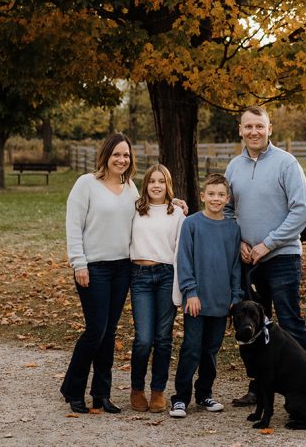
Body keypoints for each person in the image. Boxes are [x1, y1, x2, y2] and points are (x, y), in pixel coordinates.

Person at [224, 106, 306, 408]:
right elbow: (226, 210)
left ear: (269, 129)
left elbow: (302, 210)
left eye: (259, 126)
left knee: (289, 322)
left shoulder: (287, 163)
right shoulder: (233, 167)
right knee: (254, 325)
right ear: (240, 130)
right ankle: (260, 387)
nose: (254, 132)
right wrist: (239, 243)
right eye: (248, 127)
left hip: (282, 257)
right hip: (249, 261)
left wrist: (268, 244)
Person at [60, 132, 138, 415]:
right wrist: (78, 263)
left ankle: (101, 394)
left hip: (122, 268)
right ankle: (74, 389)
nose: (121, 159)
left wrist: (173, 204)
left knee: (109, 332)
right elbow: (73, 225)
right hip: (93, 267)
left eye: (126, 155)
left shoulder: (130, 187)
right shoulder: (86, 184)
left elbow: (145, 215)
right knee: (96, 330)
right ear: (105, 155)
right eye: (116, 154)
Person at [168, 173, 242, 419]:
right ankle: (180, 398)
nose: (216, 199)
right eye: (211, 194)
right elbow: (184, 260)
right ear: (202, 196)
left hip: (221, 301)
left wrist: (236, 295)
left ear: (227, 198)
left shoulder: (232, 229)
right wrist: (190, 292)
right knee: (191, 348)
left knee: (211, 349)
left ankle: (204, 393)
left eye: (221, 195)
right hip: (196, 301)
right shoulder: (192, 224)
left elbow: (234, 266)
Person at [128, 163, 185, 413]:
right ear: (145, 184)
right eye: (152, 181)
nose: (156, 185)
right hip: (140, 276)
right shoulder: (135, 209)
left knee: (163, 339)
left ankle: (158, 390)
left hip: (165, 276)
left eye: (161, 181)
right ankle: (137, 388)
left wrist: (180, 289)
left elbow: (181, 252)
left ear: (168, 185)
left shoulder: (177, 214)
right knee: (143, 339)